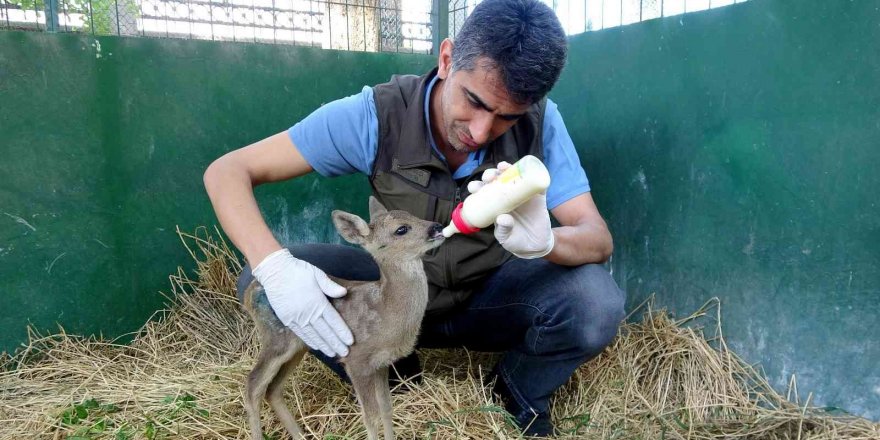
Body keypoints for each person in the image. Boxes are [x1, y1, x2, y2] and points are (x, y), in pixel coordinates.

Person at [203, 0, 625, 435]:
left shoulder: (541, 124)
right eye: (474, 101)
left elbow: (597, 238)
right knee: (266, 280)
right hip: (388, 297)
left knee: (594, 303)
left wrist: (547, 243)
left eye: (507, 117)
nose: (480, 131)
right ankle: (398, 377)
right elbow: (227, 172)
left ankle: (517, 391)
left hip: (487, 296)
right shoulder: (376, 115)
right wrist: (274, 267)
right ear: (446, 59)